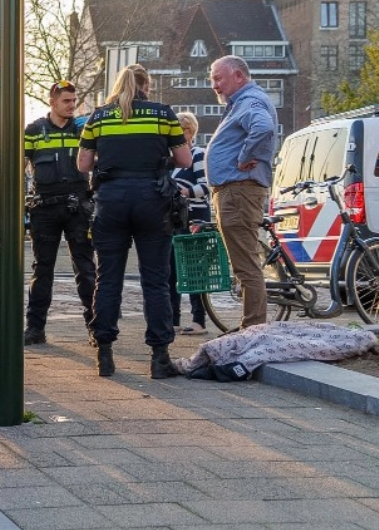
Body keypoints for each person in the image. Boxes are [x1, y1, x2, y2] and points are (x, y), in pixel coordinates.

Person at [77, 64, 191, 379]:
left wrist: (111, 161)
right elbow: (184, 160)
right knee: (155, 280)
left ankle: (104, 354)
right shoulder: (162, 114)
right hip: (152, 200)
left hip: (111, 201)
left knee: (107, 278)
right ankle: (159, 357)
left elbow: (82, 163)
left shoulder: (97, 117)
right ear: (146, 85)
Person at [204, 55, 279, 329]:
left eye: (218, 78)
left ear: (239, 76)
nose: (215, 85)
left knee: (246, 267)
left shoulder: (249, 101)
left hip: (238, 192)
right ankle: (252, 327)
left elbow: (263, 127)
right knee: (245, 265)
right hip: (235, 192)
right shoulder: (242, 102)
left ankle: (252, 330)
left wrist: (245, 154)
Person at [22, 80, 96, 346]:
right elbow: (18, 165)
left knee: (86, 268)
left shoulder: (83, 130)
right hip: (45, 207)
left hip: (78, 206)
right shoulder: (34, 131)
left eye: (74, 101)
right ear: (52, 102)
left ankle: (95, 327)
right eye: (66, 101)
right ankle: (35, 328)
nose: (71, 106)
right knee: (42, 269)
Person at [170, 111, 211, 335]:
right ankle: (173, 319)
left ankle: (199, 321)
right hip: (173, 219)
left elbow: (206, 186)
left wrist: (185, 191)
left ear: (190, 132)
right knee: (171, 270)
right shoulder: (170, 159)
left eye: (181, 130)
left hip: (195, 217)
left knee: (194, 269)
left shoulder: (198, 155)